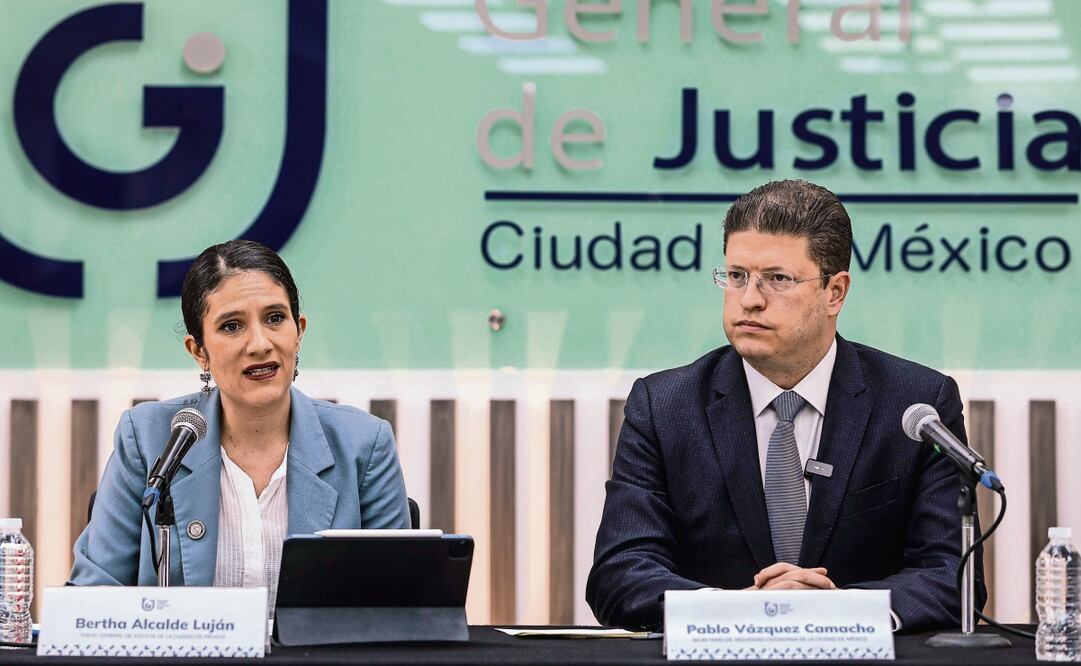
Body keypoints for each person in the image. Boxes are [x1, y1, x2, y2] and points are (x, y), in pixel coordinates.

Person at [586, 180, 985, 633]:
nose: (750, 299)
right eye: (737, 276)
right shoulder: (664, 407)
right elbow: (620, 574)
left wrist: (842, 613)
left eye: (777, 279)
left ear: (835, 292)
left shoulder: (916, 404)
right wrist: (741, 612)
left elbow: (953, 576)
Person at [70, 240, 411, 609]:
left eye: (275, 318)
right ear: (199, 351)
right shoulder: (150, 440)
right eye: (232, 326)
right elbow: (92, 599)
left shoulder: (364, 445)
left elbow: (398, 607)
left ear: (298, 331)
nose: (259, 344)